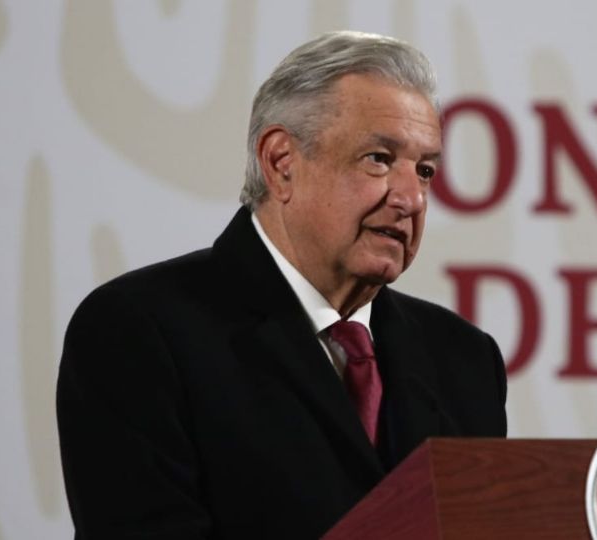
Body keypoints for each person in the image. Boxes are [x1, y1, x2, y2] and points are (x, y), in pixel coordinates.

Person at [56, 31, 507, 539]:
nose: (412, 198)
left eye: (424, 170)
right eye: (379, 158)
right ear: (281, 163)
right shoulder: (140, 330)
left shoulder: (465, 360)